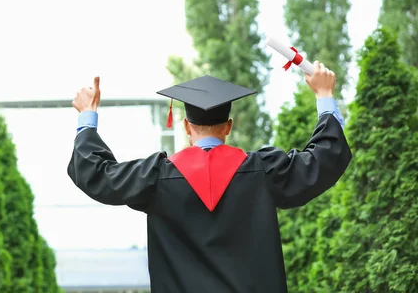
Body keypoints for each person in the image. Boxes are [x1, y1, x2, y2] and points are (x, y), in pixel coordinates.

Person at [68, 61, 352, 293]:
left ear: (186, 127)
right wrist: (324, 96)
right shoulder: (263, 171)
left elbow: (96, 173)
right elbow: (324, 159)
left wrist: (87, 117)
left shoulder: (156, 178)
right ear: (228, 126)